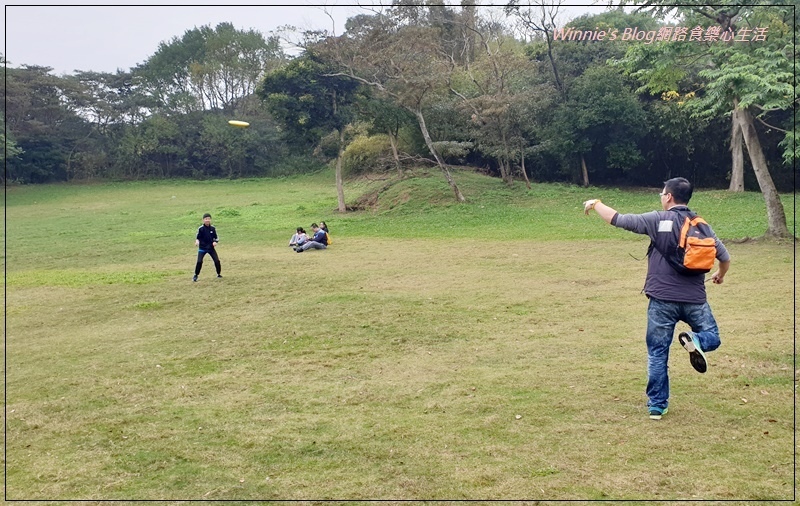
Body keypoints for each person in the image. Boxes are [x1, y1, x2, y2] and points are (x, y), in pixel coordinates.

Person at [582, 177, 731, 420]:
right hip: (695, 299)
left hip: (661, 300)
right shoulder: (702, 226)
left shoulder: (657, 219)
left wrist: (596, 202)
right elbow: (725, 257)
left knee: (657, 352)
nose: (661, 197)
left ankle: (657, 405)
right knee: (712, 338)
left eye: (662, 194)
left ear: (669, 197)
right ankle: (696, 340)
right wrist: (720, 275)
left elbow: (618, 219)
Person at [193, 213, 222, 282]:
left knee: (217, 261)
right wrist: (197, 241)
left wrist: (215, 242)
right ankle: (196, 275)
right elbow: (198, 238)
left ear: (210, 219)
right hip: (202, 248)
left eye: (208, 219)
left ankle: (218, 274)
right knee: (199, 261)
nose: (207, 220)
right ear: (203, 220)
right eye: (206, 219)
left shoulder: (213, 228)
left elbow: (216, 237)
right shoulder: (201, 229)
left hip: (211, 248)